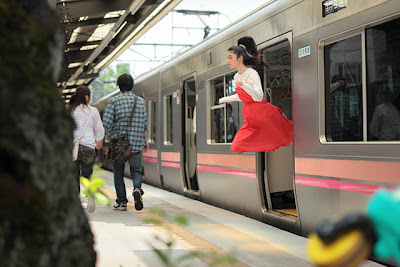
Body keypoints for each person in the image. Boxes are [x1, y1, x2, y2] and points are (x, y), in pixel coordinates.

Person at [219, 36, 292, 153]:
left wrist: (245, 85)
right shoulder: (236, 76)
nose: (228, 61)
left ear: (240, 58)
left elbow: (258, 96)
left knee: (274, 136)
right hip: (250, 115)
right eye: (227, 58)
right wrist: (225, 99)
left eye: (230, 57)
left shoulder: (251, 73)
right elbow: (243, 96)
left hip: (260, 113)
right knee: (238, 143)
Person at [102, 74, 149, 211]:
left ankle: (122, 201)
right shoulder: (140, 102)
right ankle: (137, 189)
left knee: (118, 174)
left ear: (119, 86)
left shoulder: (114, 101)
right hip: (136, 142)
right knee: (136, 171)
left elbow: (106, 123)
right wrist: (145, 141)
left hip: (119, 145)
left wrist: (101, 140)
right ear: (132, 86)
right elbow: (145, 124)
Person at [69, 85, 105, 213]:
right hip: (88, 147)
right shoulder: (93, 111)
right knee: (87, 174)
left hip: (73, 147)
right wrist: (99, 141)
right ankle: (89, 194)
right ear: (87, 97)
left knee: (73, 176)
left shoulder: (70, 110)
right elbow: (99, 130)